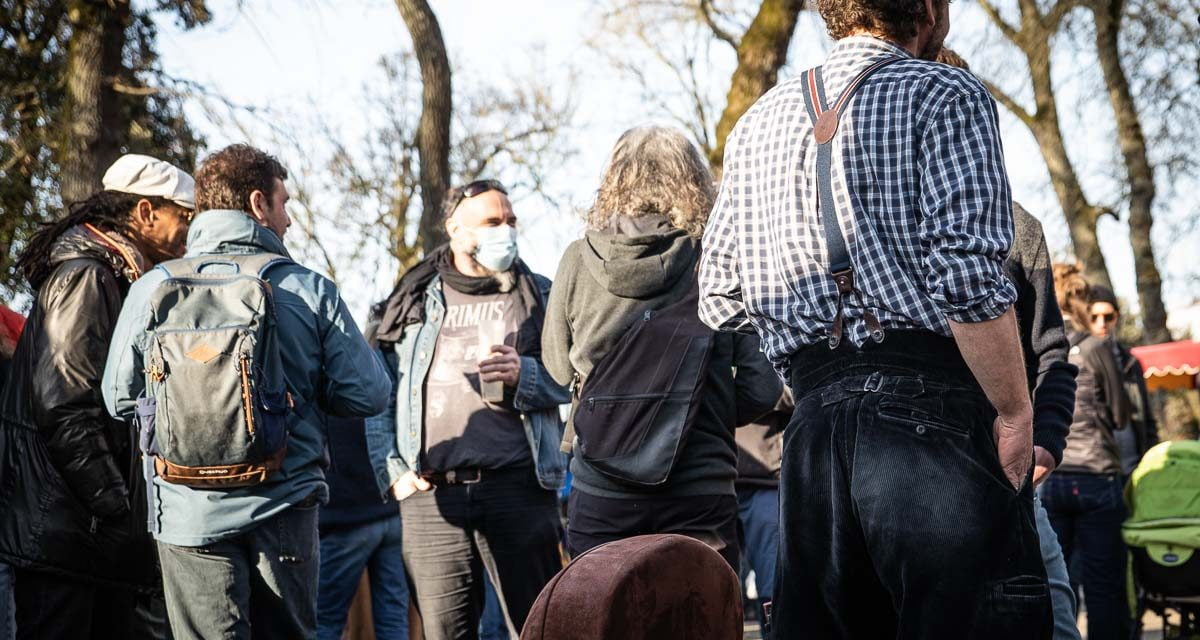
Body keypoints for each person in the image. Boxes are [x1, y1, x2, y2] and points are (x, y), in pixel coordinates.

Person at [698, 0, 1056, 634]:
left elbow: (720, 296)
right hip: (934, 416)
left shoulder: (754, 124)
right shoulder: (945, 92)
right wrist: (1014, 410)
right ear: (928, 10)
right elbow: (968, 277)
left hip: (812, 432)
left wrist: (816, 367)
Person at [103, 144, 389, 640]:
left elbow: (118, 398)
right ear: (259, 204)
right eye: (285, 204)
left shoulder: (152, 287)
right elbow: (368, 394)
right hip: (284, 504)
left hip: (186, 511)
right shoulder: (307, 289)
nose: (290, 221)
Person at [542, 126, 781, 570]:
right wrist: (701, 413)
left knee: (601, 621)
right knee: (699, 619)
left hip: (602, 489)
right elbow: (762, 388)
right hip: (700, 490)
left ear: (613, 180)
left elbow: (557, 369)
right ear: (694, 181)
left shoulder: (578, 259)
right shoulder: (716, 259)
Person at [0, 155, 195, 639]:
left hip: (84, 537)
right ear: (146, 212)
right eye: (185, 216)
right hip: (68, 537)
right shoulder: (88, 275)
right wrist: (118, 508)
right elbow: (64, 404)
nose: (192, 230)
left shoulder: (120, 276)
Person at [366, 179, 568, 640]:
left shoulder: (539, 293)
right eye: (493, 222)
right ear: (456, 230)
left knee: (538, 627)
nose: (507, 231)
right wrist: (393, 471)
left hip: (520, 489)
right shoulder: (413, 299)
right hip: (432, 498)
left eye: (511, 221)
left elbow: (577, 375)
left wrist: (528, 375)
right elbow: (377, 391)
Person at [935, 46, 1082, 640]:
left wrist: (1044, 441)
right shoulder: (874, 226)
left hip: (1010, 470)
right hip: (918, 474)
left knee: (1052, 614)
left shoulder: (1019, 228)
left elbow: (1053, 353)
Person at [1042, 263, 1133, 640]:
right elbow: (1120, 414)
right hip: (1096, 477)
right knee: (1105, 586)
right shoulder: (1096, 348)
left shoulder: (1045, 347)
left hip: (1053, 478)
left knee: (1059, 585)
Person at [316, 415, 408, 640]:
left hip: (346, 518)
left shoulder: (324, 382)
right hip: (391, 507)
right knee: (394, 618)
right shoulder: (380, 381)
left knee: (324, 621)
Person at [1088, 284, 1159, 475]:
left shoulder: (1130, 361)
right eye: (1094, 317)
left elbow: (1146, 414)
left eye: (1108, 316)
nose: (1101, 323)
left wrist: (1152, 456)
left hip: (1133, 462)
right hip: (1097, 466)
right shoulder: (1076, 357)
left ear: (1117, 317)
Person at [734, 389, 789, 621]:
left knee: (774, 588)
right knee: (705, 589)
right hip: (708, 481)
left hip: (765, 480)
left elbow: (798, 388)